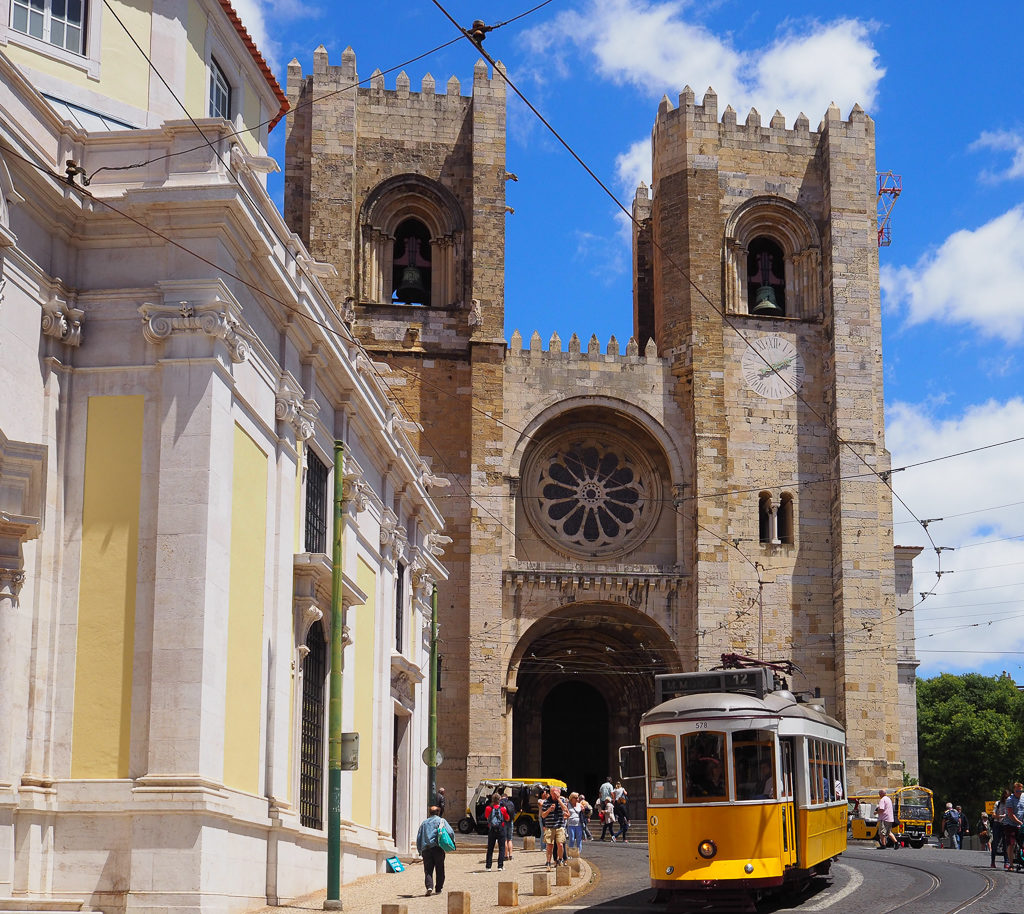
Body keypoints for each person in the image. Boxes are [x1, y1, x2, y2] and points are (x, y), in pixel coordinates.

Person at [416, 805, 455, 896]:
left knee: (428, 869)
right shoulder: (441, 821)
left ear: (429, 813)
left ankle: (429, 886)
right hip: (438, 848)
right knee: (440, 868)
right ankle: (438, 888)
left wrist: (419, 849)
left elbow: (419, 836)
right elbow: (450, 832)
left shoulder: (424, 823)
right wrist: (452, 841)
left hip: (426, 849)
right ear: (438, 813)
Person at [541, 785, 570, 868]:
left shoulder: (562, 800)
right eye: (553, 793)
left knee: (560, 844)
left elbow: (565, 810)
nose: (555, 794)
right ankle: (548, 862)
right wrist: (549, 809)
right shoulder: (546, 802)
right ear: (550, 793)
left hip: (560, 826)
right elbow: (543, 815)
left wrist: (558, 800)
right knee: (549, 845)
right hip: (549, 826)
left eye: (556, 793)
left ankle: (560, 859)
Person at [484, 792, 509, 871]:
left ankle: (488, 866)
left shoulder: (488, 808)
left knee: (490, 848)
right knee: (501, 848)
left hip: (491, 829)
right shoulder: (502, 809)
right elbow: (507, 818)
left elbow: (486, 817)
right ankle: (500, 866)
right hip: (501, 829)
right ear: (499, 800)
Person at [1003, 782, 1023, 871]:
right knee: (1011, 844)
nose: (1019, 792)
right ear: (1014, 791)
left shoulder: (1023, 798)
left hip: (1021, 825)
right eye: (1017, 791)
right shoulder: (1009, 800)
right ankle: (1011, 865)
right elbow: (1011, 815)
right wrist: (1019, 822)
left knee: (1022, 843)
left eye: (1020, 791)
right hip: (1010, 824)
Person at [992, 789, 1009, 869]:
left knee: (1006, 844)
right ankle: (993, 861)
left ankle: (1006, 862)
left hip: (1006, 825)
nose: (1006, 799)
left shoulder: (1010, 804)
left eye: (1007, 797)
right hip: (997, 824)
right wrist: (1000, 816)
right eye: (1005, 797)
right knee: (995, 842)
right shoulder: (998, 803)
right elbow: (993, 815)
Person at [500, 787, 517, 862]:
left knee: (504, 839)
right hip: (510, 822)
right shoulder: (511, 803)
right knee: (510, 839)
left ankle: (505, 855)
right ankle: (511, 855)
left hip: (503, 822)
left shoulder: (500, 803)